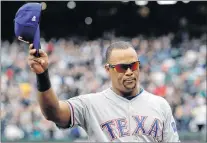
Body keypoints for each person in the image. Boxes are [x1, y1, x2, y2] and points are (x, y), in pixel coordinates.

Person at [27, 41, 180, 142]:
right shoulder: (90, 104)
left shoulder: (160, 105)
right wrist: (42, 75)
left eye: (133, 66)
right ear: (108, 69)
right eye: (122, 67)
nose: (129, 72)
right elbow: (53, 113)